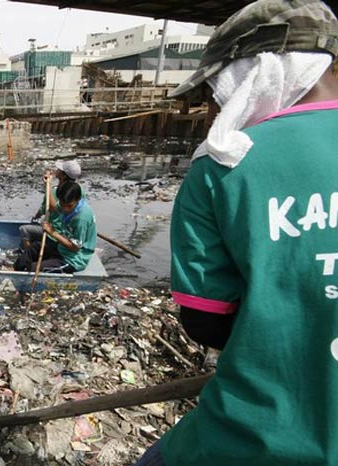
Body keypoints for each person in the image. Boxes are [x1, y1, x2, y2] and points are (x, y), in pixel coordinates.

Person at [131, 1, 338, 466]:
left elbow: (205, 322)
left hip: (257, 438)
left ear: (257, 72)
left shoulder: (223, 165)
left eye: (215, 91)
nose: (214, 106)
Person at [14, 180, 96, 274]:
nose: (65, 209)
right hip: (62, 249)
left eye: (69, 206)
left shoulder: (81, 218)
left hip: (72, 259)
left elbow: (75, 248)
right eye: (63, 205)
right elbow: (55, 208)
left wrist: (52, 232)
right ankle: (15, 269)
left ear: (78, 200)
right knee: (35, 247)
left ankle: (24, 274)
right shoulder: (66, 203)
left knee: (33, 269)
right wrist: (48, 184)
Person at [19, 160, 81, 251]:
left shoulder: (56, 192)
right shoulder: (77, 190)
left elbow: (49, 208)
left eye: (59, 170)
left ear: (63, 175)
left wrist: (48, 184)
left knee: (24, 229)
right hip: (66, 231)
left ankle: (28, 254)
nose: (57, 170)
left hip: (55, 231)